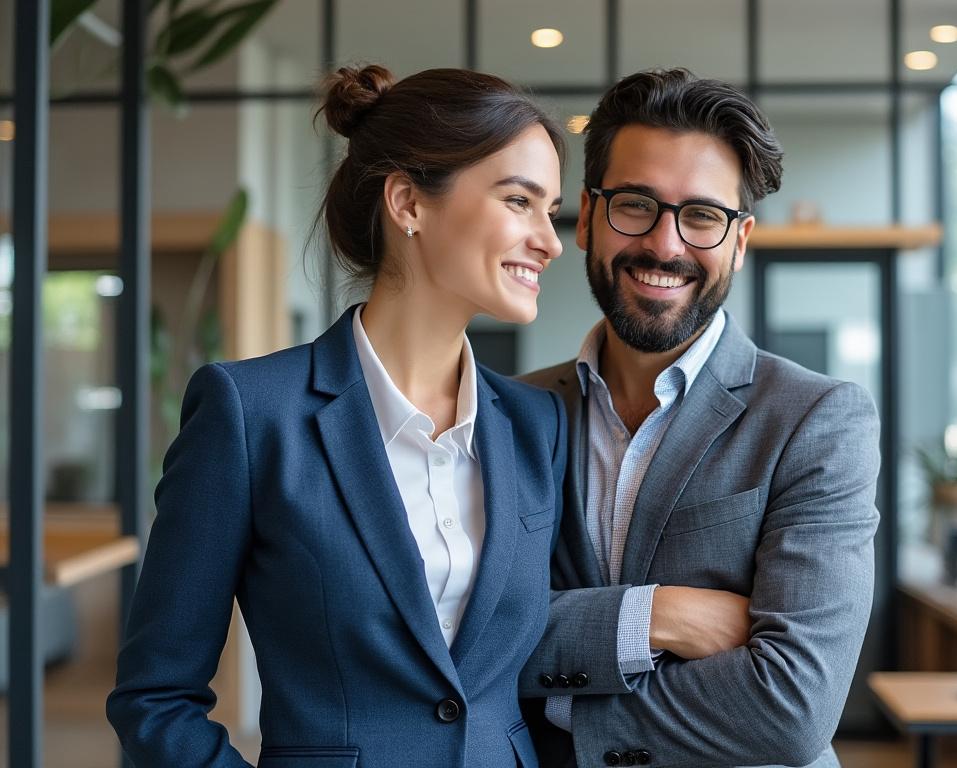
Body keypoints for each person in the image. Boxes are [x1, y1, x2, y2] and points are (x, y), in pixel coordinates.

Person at [108, 64, 568, 768]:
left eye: (550, 209)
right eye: (518, 201)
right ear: (408, 203)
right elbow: (155, 696)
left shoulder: (538, 426)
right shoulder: (251, 415)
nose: (551, 240)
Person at [519, 68, 880, 768]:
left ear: (739, 241)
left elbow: (793, 706)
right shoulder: (513, 411)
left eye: (703, 217)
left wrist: (558, 709)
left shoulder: (816, 419)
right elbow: (461, 639)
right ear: (587, 218)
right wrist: (656, 617)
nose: (665, 245)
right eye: (635, 205)